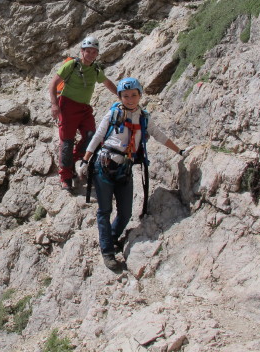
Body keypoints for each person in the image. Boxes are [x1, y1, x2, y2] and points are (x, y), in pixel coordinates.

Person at [77, 77, 192, 270]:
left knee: (125, 212)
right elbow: (98, 136)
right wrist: (85, 159)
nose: (129, 99)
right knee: (104, 211)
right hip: (104, 165)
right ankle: (108, 252)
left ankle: (112, 237)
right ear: (120, 96)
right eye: (125, 95)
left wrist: (179, 151)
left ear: (140, 95)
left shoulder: (144, 117)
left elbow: (160, 136)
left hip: (125, 168)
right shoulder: (113, 113)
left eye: (133, 95)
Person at [48, 36, 117, 192]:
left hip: (85, 109)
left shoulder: (96, 69)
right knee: (67, 142)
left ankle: (72, 160)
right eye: (88, 51)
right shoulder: (72, 65)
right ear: (82, 51)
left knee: (93, 136)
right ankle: (66, 178)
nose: (91, 54)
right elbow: (52, 84)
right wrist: (54, 105)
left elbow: (107, 83)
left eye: (94, 52)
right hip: (67, 107)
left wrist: (121, 95)